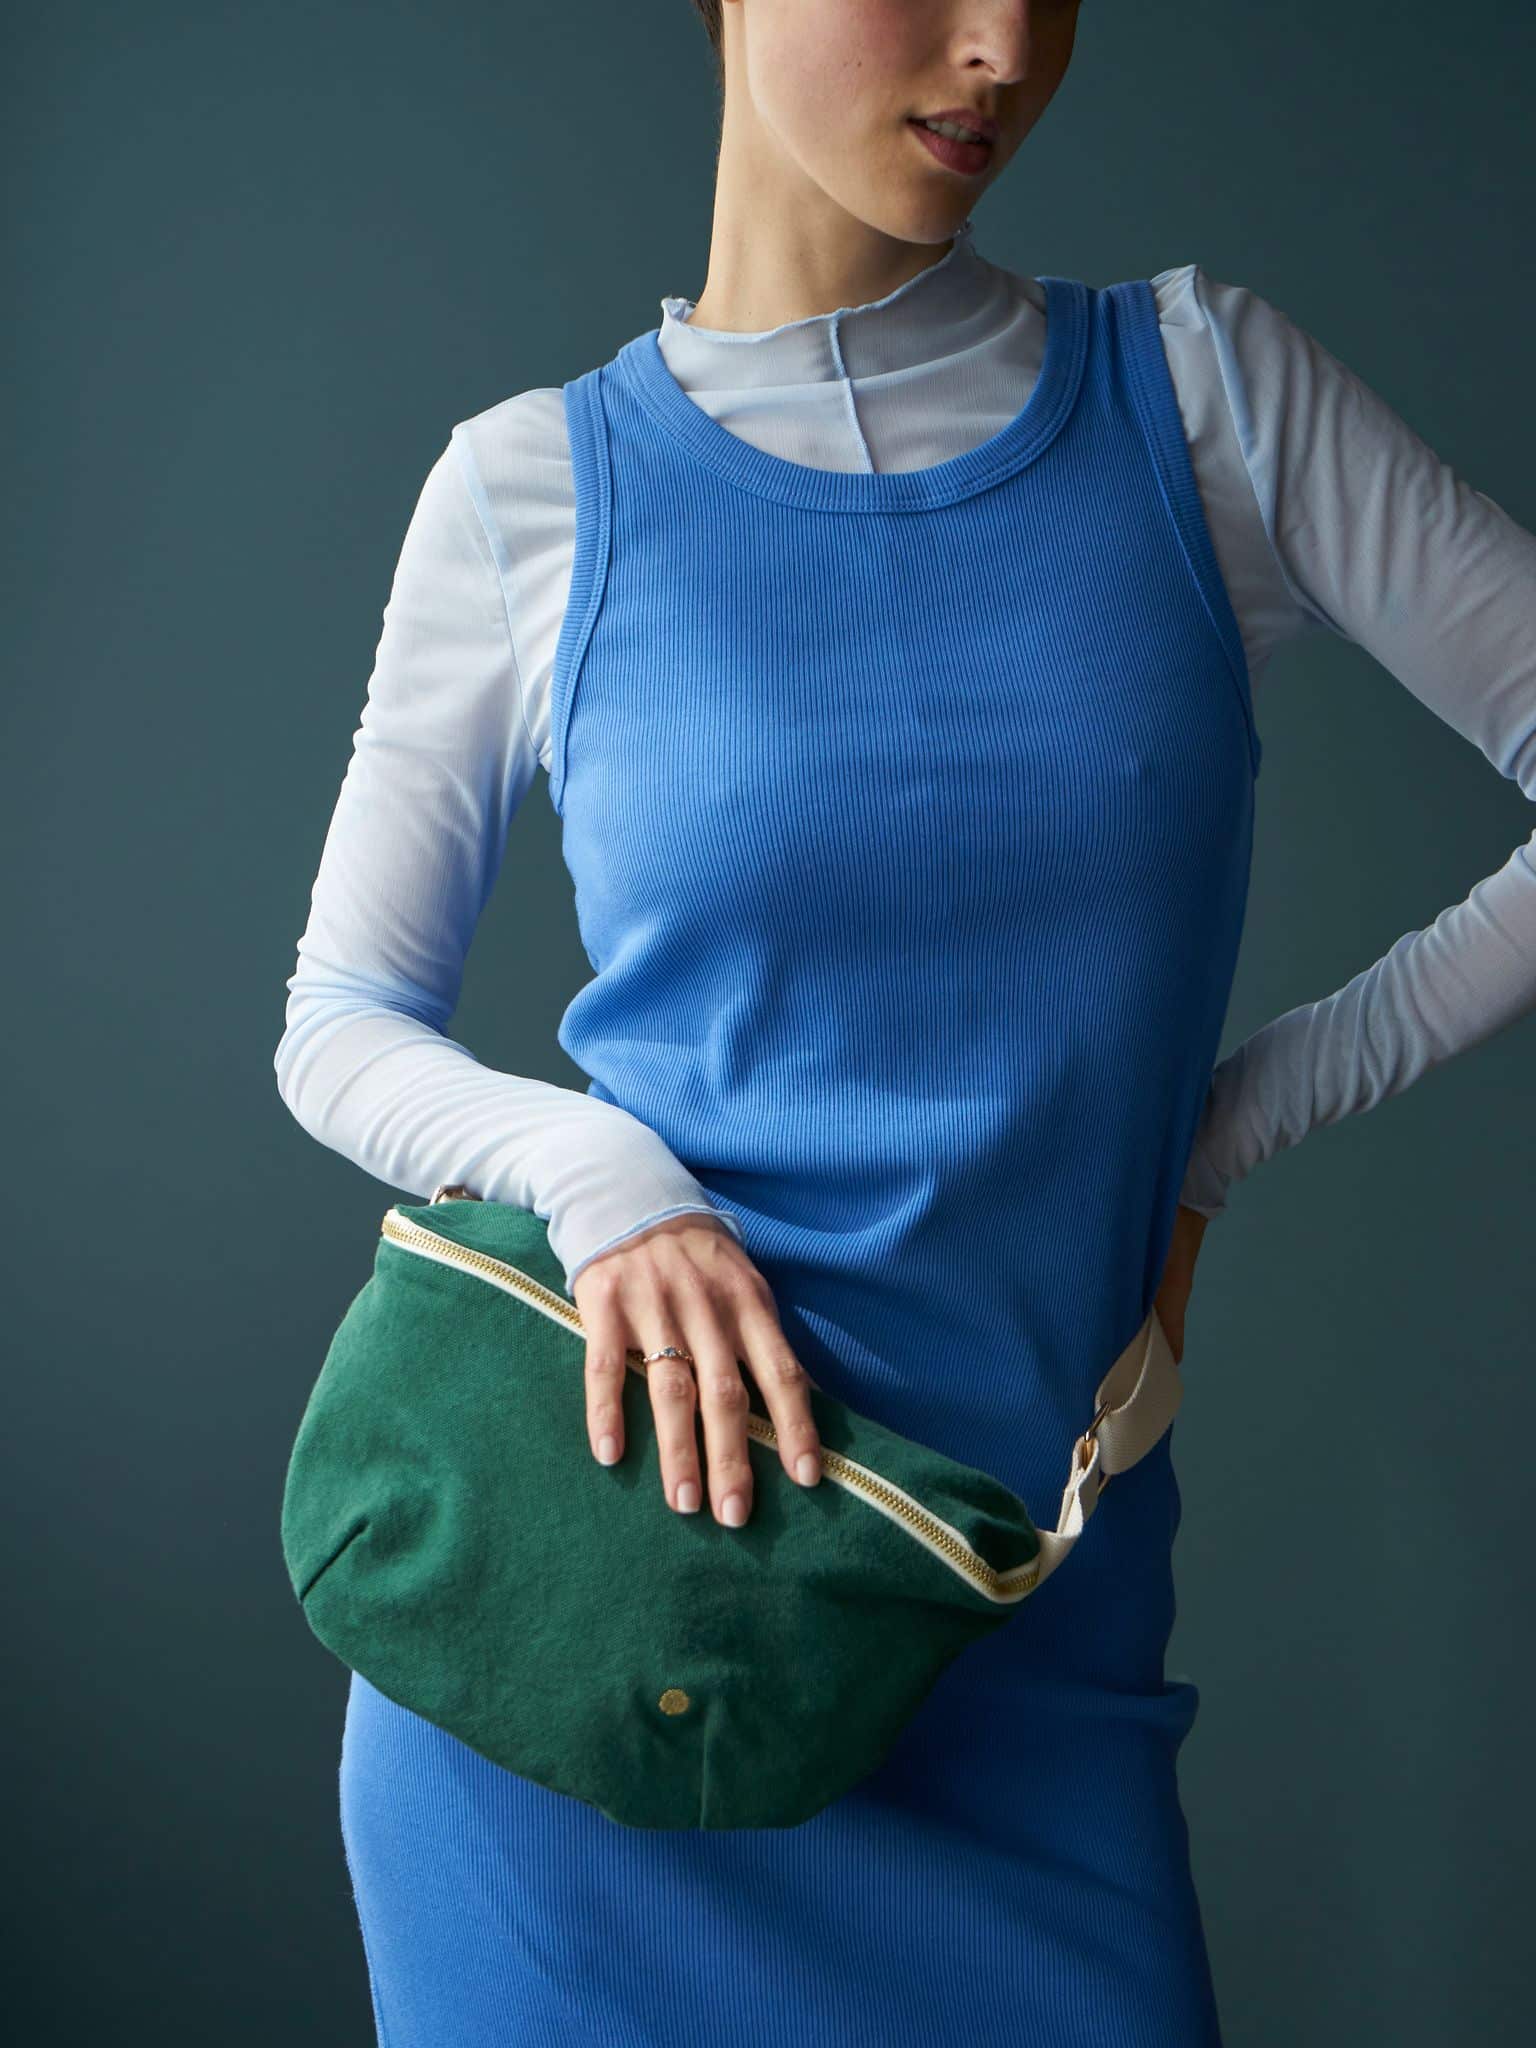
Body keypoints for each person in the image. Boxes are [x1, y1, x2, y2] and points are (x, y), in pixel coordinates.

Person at [273, 2, 1536, 2042]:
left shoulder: (1203, 396)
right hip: (590, 1659)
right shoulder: (531, 489)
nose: (1002, 46)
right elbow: (339, 1019)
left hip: (1019, 1649)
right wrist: (600, 1177)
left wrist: (1221, 1132)